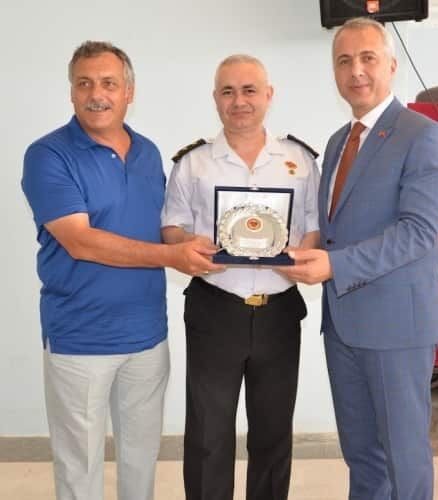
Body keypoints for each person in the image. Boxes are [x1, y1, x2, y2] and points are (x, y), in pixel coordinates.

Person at [21, 41, 222, 500]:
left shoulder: (148, 153)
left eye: (109, 83)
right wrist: (172, 256)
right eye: (85, 83)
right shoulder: (48, 155)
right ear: (71, 92)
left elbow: (162, 228)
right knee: (79, 466)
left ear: (128, 91)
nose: (97, 94)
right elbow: (80, 240)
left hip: (147, 336)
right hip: (79, 340)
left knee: (140, 459)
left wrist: (205, 243)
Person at [279, 18, 438, 500]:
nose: (355, 70)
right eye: (344, 61)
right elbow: (338, 227)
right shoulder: (339, 140)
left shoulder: (424, 135)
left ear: (391, 66)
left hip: (397, 326)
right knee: (361, 455)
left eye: (367, 58)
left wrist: (334, 266)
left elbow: (418, 232)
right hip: (343, 324)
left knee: (404, 456)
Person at [161, 54, 320, 500]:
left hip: (278, 313)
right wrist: (189, 245)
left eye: (249, 90)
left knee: (273, 432)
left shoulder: (299, 160)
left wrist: (298, 255)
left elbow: (313, 226)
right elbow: (171, 227)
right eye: (228, 92)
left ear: (268, 95)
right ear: (215, 98)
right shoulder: (193, 163)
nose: (239, 101)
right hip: (215, 309)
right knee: (208, 435)